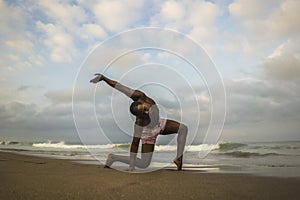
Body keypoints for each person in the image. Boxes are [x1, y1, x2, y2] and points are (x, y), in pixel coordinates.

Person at [90, 73, 188, 170]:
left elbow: (120, 87)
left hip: (160, 123)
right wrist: (132, 166)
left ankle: (179, 158)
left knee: (183, 129)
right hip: (148, 132)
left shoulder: (140, 96)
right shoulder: (139, 124)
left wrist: (104, 78)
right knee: (144, 164)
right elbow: (134, 144)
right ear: (139, 116)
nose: (147, 112)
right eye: (143, 113)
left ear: (142, 102)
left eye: (145, 108)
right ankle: (114, 157)